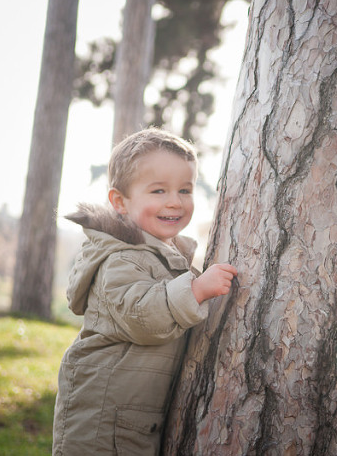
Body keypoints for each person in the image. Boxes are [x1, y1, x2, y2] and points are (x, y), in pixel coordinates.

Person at [52, 127, 238, 455]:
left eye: (185, 189)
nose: (174, 202)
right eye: (158, 191)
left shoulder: (164, 255)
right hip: (102, 420)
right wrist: (195, 290)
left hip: (130, 418)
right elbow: (142, 316)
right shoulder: (121, 259)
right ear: (119, 202)